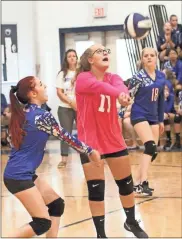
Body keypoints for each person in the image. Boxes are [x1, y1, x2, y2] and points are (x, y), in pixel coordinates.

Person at [3, 76, 101, 238]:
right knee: (42, 222)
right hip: (19, 175)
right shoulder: (42, 116)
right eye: (41, 84)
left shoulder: (22, 115)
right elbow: (66, 137)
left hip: (19, 174)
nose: (46, 86)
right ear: (33, 93)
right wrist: (90, 151)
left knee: (56, 205)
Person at [75, 44, 148, 238]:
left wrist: (123, 94)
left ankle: (131, 221)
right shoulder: (83, 79)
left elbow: (119, 86)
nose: (105, 53)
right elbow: (101, 87)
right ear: (90, 59)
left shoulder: (113, 77)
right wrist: (119, 95)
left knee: (126, 184)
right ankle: (101, 234)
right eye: (100, 51)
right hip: (90, 142)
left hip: (113, 139)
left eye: (106, 50)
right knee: (96, 190)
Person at [128, 48, 165, 196]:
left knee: (153, 151)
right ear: (142, 59)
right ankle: (143, 182)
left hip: (154, 116)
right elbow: (127, 96)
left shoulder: (161, 76)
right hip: (139, 114)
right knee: (149, 146)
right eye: (146, 56)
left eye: (152, 55)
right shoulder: (137, 77)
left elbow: (161, 100)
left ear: (157, 58)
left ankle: (136, 182)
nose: (149, 58)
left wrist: (161, 120)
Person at [56, 49, 78, 167]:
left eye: (74, 56)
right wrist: (71, 102)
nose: (72, 58)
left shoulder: (81, 73)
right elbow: (59, 92)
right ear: (66, 59)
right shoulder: (62, 74)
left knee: (84, 132)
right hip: (65, 107)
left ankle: (87, 155)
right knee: (66, 134)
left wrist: (77, 104)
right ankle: (64, 159)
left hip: (80, 107)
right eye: (69, 56)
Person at [163, 85, 176, 150]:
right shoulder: (157, 97)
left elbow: (168, 109)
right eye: (164, 90)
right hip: (161, 115)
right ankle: (157, 141)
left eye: (167, 89)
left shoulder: (171, 97)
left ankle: (169, 140)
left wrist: (165, 99)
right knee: (163, 116)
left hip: (171, 113)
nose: (166, 91)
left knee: (165, 116)